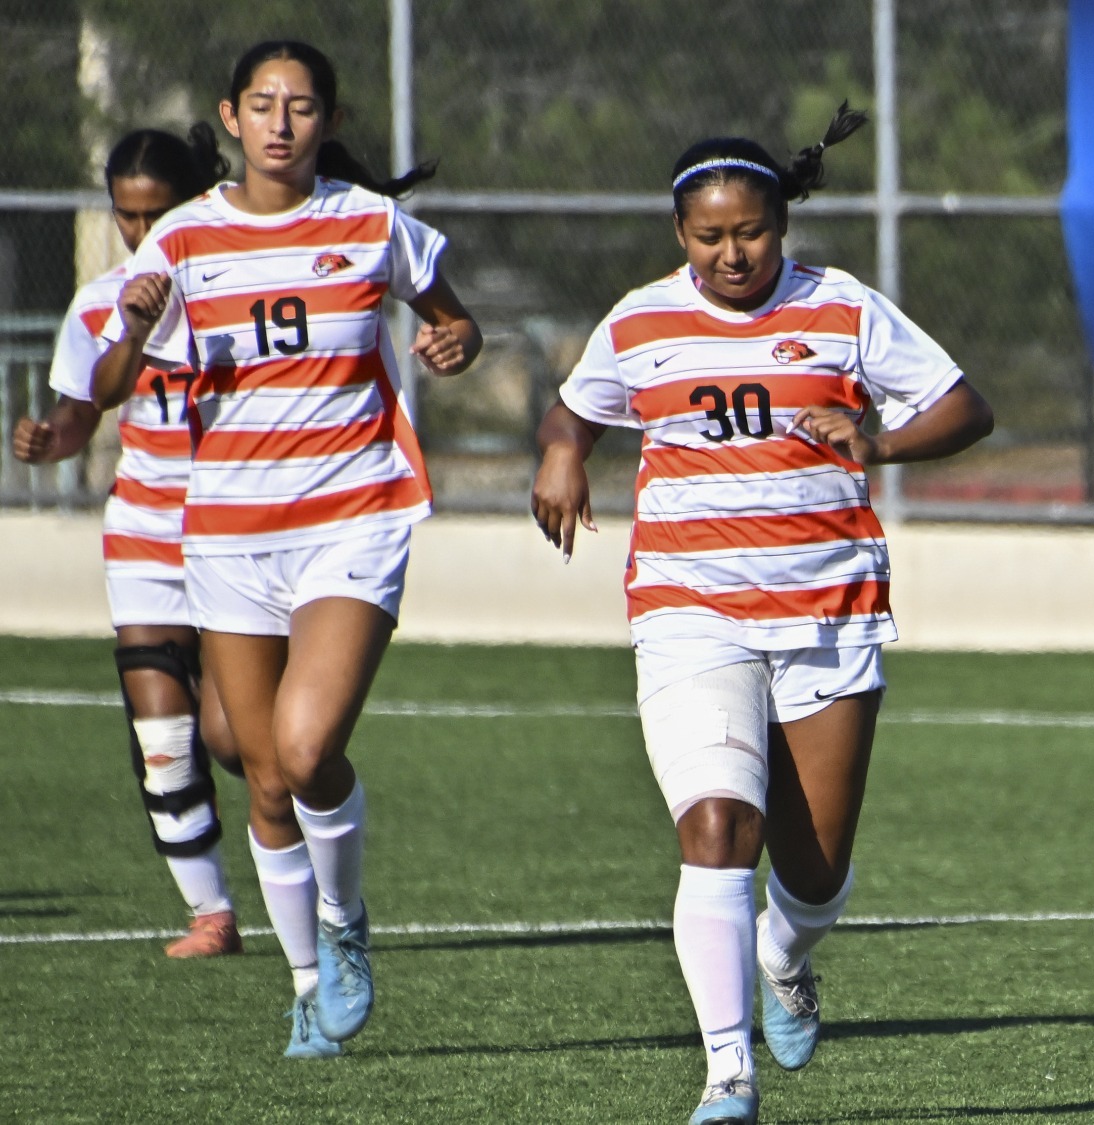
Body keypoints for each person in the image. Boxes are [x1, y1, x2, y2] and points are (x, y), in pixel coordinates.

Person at [531, 104, 993, 1125]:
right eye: (708, 236)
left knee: (813, 872)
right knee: (714, 826)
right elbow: (578, 404)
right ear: (678, 234)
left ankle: (784, 957)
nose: (731, 253)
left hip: (827, 611)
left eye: (750, 233)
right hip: (688, 610)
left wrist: (876, 441)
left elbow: (964, 406)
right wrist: (564, 447)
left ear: (780, 228)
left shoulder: (841, 308)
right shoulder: (641, 320)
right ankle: (726, 1079)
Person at [91, 40, 481, 1059]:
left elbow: (452, 321)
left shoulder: (369, 222)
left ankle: (346, 931)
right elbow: (109, 381)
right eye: (262, 104)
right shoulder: (178, 241)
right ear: (229, 116)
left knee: (306, 752)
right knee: (259, 773)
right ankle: (306, 984)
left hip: (355, 517)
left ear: (327, 123)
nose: (279, 122)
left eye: (300, 107)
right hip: (226, 535)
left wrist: (455, 342)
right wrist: (134, 324)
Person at [12, 126, 243, 958]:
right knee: (165, 741)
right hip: (144, 530)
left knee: (235, 738)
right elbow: (83, 414)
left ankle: (314, 877)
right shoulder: (102, 301)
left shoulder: (237, 287)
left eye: (158, 213)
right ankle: (211, 914)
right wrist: (52, 441)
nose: (142, 233)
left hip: (237, 531)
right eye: (127, 215)